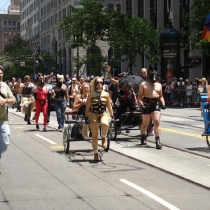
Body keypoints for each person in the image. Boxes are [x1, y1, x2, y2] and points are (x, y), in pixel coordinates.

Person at [85, 77, 113, 161]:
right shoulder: (91, 94)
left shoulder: (106, 94)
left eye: (101, 82)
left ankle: (104, 137)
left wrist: (112, 115)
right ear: (95, 84)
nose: (99, 84)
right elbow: (87, 107)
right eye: (97, 83)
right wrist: (86, 117)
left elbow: (109, 105)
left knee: (105, 124)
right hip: (93, 113)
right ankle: (95, 153)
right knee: (95, 136)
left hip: (103, 113)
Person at [138, 69, 166, 149]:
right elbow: (139, 96)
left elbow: (160, 96)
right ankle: (143, 136)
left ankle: (157, 140)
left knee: (157, 121)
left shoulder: (159, 85)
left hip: (155, 104)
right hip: (146, 105)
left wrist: (163, 103)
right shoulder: (143, 84)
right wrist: (141, 104)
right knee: (145, 123)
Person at [0, 65, 16, 173]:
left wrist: (5, 101)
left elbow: (13, 100)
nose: (0, 75)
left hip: (3, 120)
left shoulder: (5, 85)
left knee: (5, 144)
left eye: (1, 73)